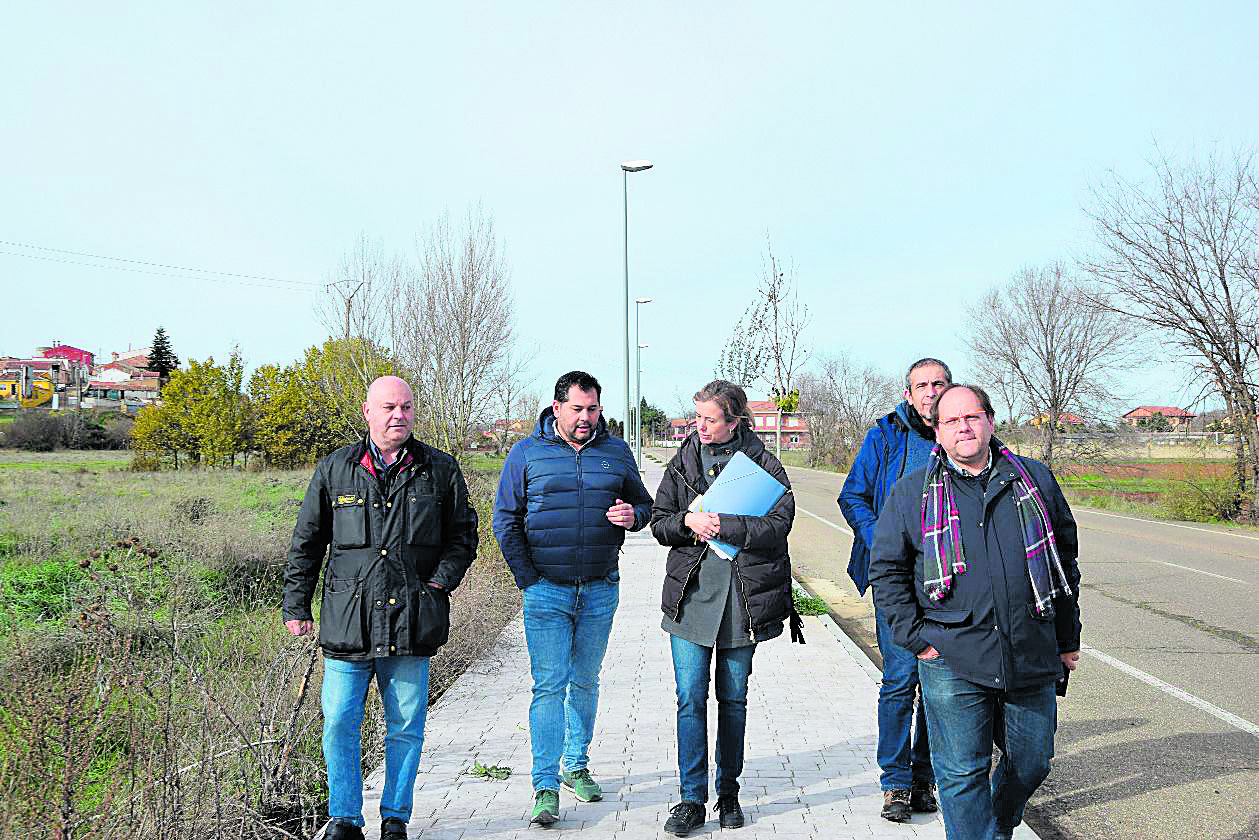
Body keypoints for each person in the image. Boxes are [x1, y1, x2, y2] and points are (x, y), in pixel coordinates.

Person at [869, 384, 1081, 840]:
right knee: (962, 773)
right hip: (951, 653)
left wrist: (1067, 638)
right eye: (952, 421)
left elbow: (1064, 559)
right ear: (937, 431)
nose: (963, 427)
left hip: (1029, 647)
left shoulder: (1035, 480)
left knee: (1032, 760)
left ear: (989, 421)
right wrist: (916, 639)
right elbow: (886, 570)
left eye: (972, 417)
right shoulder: (911, 493)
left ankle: (996, 828)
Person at [282, 376, 478, 840]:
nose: (399, 415)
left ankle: (395, 818)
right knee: (338, 725)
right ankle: (346, 818)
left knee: (406, 726)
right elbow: (307, 543)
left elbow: (463, 537)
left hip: (412, 621)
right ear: (367, 411)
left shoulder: (440, 470)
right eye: (389, 407)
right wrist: (296, 604)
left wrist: (438, 584)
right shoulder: (336, 469)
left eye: (407, 407)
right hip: (348, 624)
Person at [492, 370, 654, 827]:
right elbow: (505, 518)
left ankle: (575, 766)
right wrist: (529, 579)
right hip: (546, 591)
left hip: (601, 588)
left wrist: (632, 515)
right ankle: (544, 786)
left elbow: (646, 507)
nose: (586, 418)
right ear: (557, 407)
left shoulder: (615, 452)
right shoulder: (527, 453)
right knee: (548, 685)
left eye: (593, 409)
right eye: (577, 409)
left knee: (585, 681)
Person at [650, 380, 803, 837]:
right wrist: (687, 522)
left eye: (708, 419)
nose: (698, 427)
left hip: (742, 602)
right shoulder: (682, 463)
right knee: (689, 700)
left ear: (734, 420)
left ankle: (729, 793)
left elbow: (780, 523)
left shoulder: (765, 465)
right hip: (689, 601)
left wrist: (727, 525)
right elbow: (659, 523)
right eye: (696, 417)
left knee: (733, 701)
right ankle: (691, 799)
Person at [837, 357, 951, 822]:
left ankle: (925, 777)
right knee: (901, 679)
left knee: (940, 682)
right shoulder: (884, 435)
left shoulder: (960, 431)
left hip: (948, 582)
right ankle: (896, 782)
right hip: (896, 581)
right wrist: (882, 540)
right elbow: (853, 495)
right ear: (908, 393)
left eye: (937, 384)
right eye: (921, 386)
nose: (929, 392)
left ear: (950, 388)